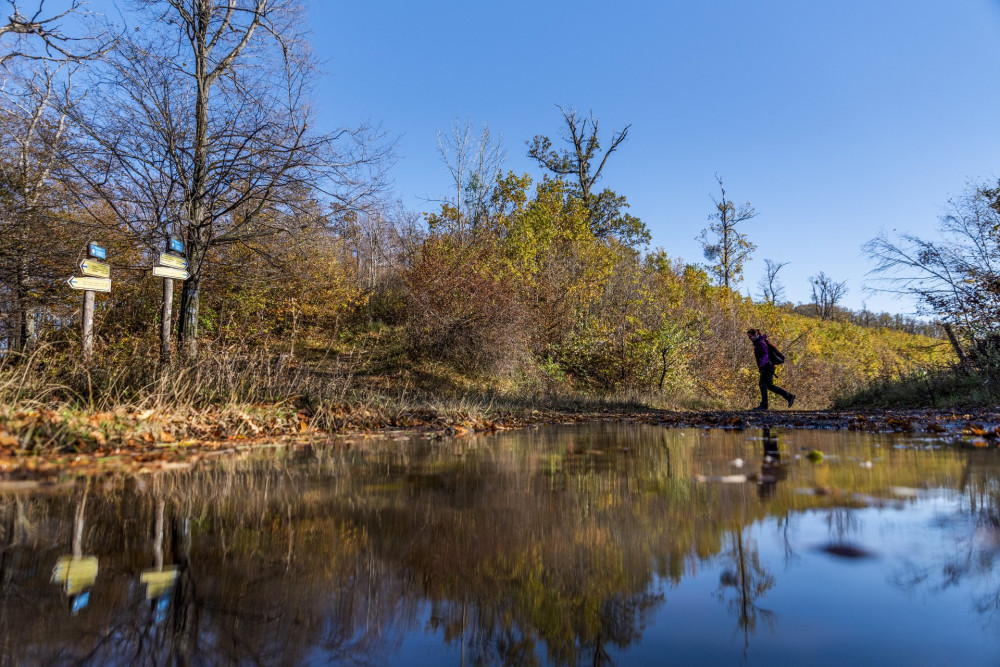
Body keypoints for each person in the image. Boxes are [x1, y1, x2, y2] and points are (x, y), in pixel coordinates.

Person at [747, 329, 795, 411]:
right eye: (748, 337)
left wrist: (762, 364)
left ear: (755, 334)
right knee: (769, 386)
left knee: (762, 385)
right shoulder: (758, 342)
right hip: (767, 367)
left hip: (767, 367)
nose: (749, 338)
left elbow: (765, 354)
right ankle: (789, 396)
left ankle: (764, 405)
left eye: (750, 336)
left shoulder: (760, 343)